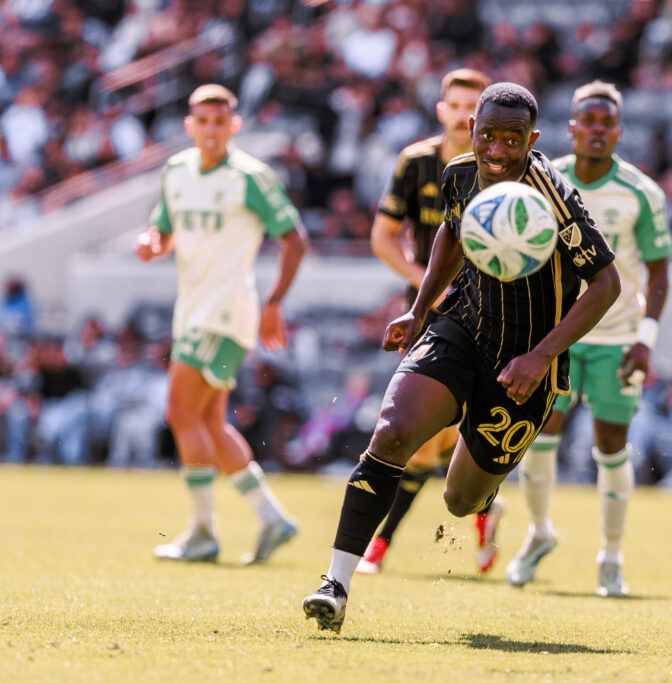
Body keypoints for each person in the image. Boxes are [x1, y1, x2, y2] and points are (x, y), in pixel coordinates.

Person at [302, 82, 620, 633]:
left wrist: (542, 357)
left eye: (512, 141)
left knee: (458, 500)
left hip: (525, 365)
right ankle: (336, 583)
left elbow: (607, 284)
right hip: (463, 329)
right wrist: (421, 310)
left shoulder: (554, 195)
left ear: (533, 140)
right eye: (488, 136)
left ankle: (485, 498)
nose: (498, 150)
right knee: (393, 434)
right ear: (471, 129)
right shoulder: (459, 173)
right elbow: (451, 233)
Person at [504, 81, 672, 597]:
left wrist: (646, 339)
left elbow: (659, 274)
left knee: (611, 447)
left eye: (607, 122)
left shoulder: (642, 192)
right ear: (572, 127)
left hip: (618, 339)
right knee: (538, 436)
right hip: (556, 337)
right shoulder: (543, 180)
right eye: (588, 120)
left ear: (618, 131)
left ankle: (611, 557)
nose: (597, 130)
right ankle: (537, 534)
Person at [135, 84, 310, 565]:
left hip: (226, 309)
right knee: (209, 422)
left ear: (234, 126)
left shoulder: (249, 176)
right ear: (189, 126)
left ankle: (203, 533)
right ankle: (273, 518)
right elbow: (165, 233)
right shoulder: (176, 171)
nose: (211, 130)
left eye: (220, 122)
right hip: (191, 308)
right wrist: (152, 244)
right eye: (202, 121)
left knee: (180, 411)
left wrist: (275, 302)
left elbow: (295, 239)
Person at [359, 68, 500, 575]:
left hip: (487, 314)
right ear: (441, 111)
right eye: (456, 105)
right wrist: (425, 281)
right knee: (422, 431)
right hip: (425, 314)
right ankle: (481, 510)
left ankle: (382, 543)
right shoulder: (416, 162)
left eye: (473, 106)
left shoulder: (504, 168)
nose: (464, 115)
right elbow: (381, 237)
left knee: (442, 434)